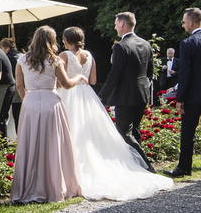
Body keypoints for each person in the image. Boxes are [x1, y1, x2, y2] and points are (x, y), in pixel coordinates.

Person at [58, 27, 172, 200]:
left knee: (71, 131)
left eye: (63, 38)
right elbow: (93, 80)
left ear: (67, 40)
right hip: (87, 95)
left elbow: (62, 81)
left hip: (69, 95)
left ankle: (71, 171)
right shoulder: (89, 55)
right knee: (91, 133)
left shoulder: (64, 55)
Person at [11, 25, 84, 203]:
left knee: (30, 144)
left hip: (30, 103)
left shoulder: (22, 59)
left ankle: (28, 186)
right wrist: (79, 77)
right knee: (54, 146)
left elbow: (19, 85)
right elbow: (66, 84)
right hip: (52, 102)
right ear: (51, 40)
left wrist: (28, 99)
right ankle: (54, 185)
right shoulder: (55, 60)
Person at [99, 12, 155, 172]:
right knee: (134, 131)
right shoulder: (145, 43)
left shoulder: (120, 46)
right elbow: (150, 72)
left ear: (122, 24)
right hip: (142, 94)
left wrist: (101, 96)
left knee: (124, 132)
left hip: (125, 97)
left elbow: (114, 75)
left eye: (116, 23)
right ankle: (136, 166)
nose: (114, 26)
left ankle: (148, 167)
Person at [169, 7, 201, 177]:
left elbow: (186, 73)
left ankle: (184, 167)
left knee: (188, 133)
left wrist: (179, 98)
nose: (183, 25)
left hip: (194, 96)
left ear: (192, 22)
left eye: (184, 21)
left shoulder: (188, 43)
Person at [0, 37, 22, 130]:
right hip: (26, 88)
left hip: (15, 90)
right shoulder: (22, 55)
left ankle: (18, 139)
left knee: (16, 116)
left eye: (1, 49)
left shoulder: (9, 59)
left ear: (6, 48)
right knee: (20, 117)